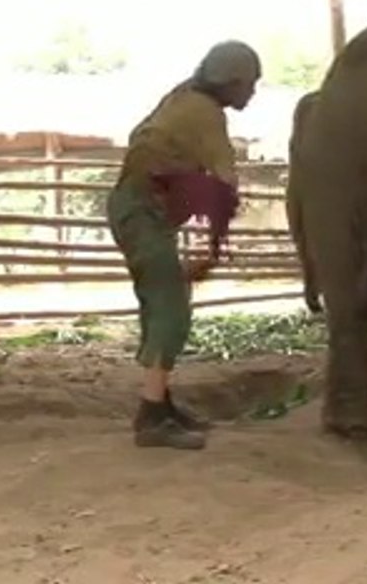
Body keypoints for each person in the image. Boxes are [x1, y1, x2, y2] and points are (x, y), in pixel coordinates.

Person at [107, 40, 261, 450]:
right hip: (143, 213)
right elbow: (226, 184)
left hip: (136, 209)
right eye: (251, 83)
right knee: (171, 307)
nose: (253, 92)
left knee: (160, 302)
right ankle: (152, 417)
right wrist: (213, 250)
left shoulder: (182, 97)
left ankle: (162, 403)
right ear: (232, 82)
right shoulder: (206, 113)